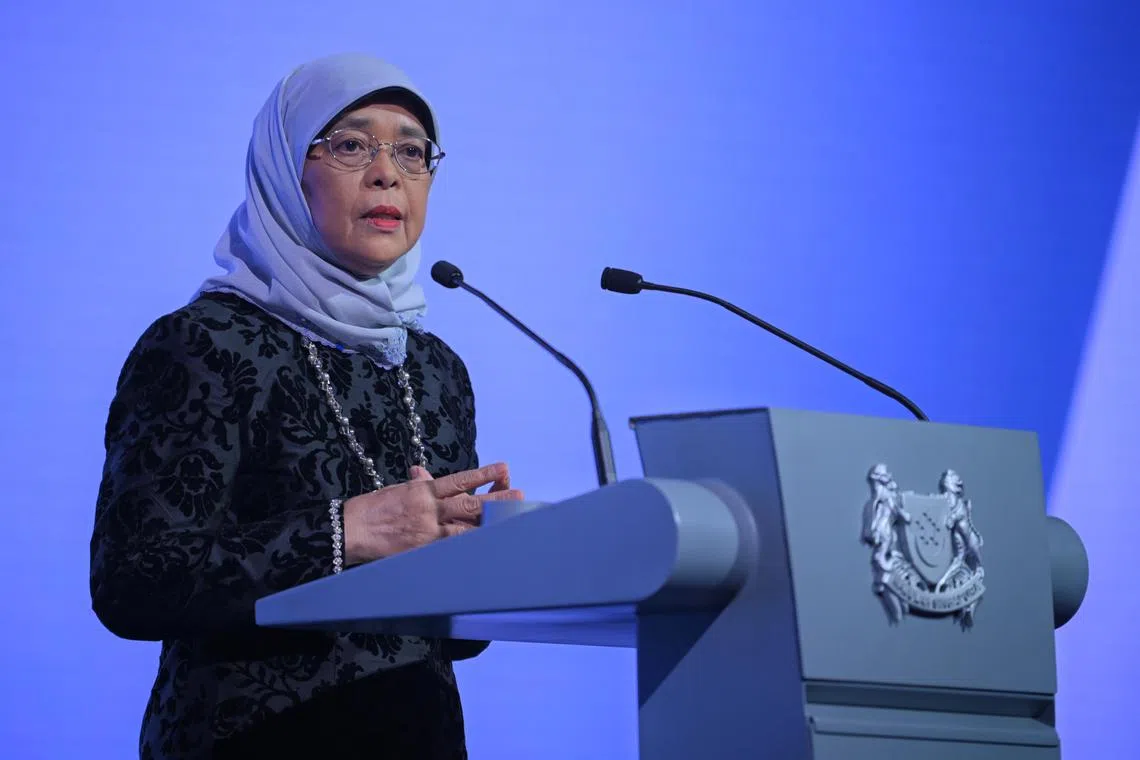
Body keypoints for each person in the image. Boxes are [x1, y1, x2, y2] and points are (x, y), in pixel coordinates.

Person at [89, 52, 524, 759]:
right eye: (352, 144)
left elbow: (455, 640)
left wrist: (486, 561)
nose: (388, 172)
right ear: (287, 170)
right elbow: (134, 583)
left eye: (412, 152)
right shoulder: (204, 344)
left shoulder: (436, 369)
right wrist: (344, 532)